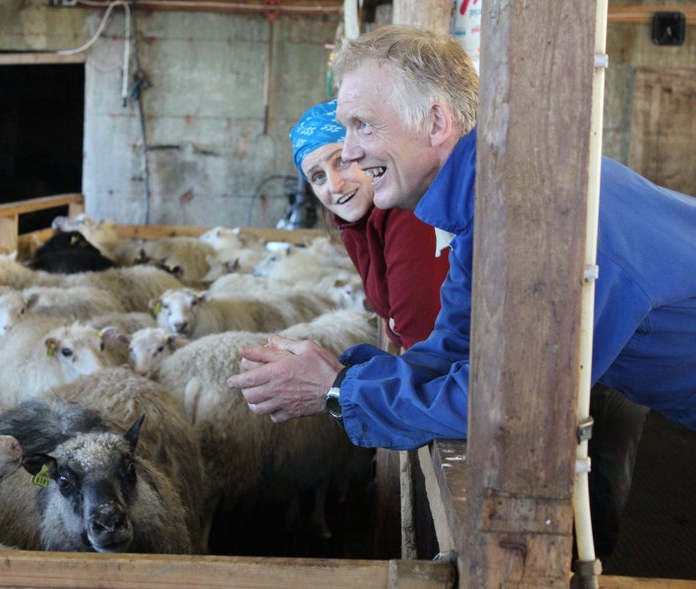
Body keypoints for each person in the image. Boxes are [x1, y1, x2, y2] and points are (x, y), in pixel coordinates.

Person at [228, 24, 696, 558]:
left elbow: (506, 402)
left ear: (435, 122)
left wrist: (337, 394)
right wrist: (342, 373)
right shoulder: (485, 205)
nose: (351, 155)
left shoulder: (534, 214)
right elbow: (454, 346)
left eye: (361, 126)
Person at [289, 99, 449, 351]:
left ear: (366, 154)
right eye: (318, 177)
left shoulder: (406, 217)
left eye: (341, 161)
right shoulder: (360, 227)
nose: (334, 186)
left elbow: (423, 341)